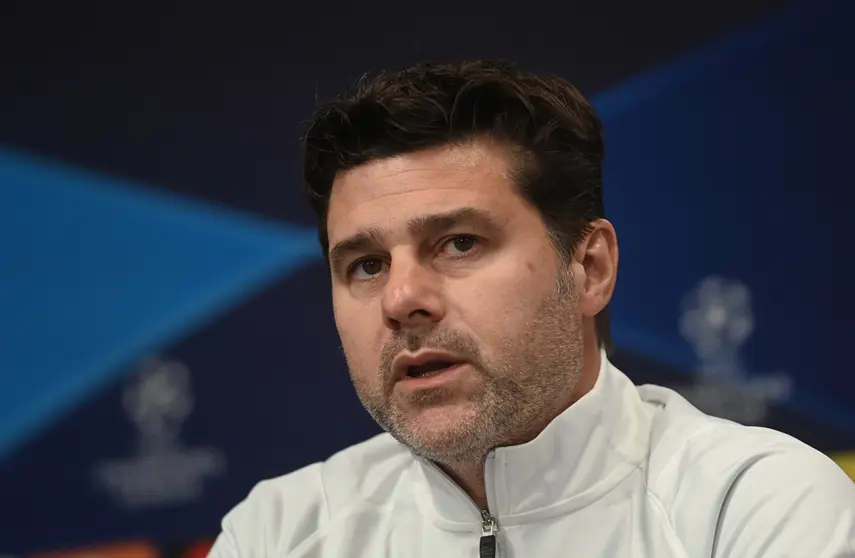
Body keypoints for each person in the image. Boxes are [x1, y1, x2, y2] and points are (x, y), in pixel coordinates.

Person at [209, 61, 855, 558]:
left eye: (458, 243)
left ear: (589, 267)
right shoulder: (279, 533)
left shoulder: (749, 509)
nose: (402, 299)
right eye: (366, 265)